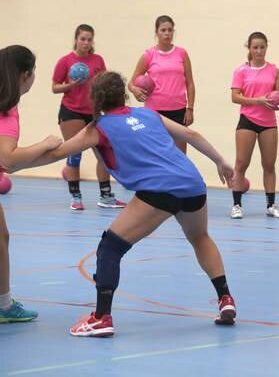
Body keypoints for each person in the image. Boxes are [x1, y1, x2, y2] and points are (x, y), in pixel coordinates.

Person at [22, 71, 237, 336]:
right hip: (192, 183)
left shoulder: (97, 128)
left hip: (159, 190)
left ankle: (101, 318)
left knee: (110, 248)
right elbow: (191, 135)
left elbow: (58, 153)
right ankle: (226, 299)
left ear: (96, 98)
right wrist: (221, 161)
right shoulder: (148, 114)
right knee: (200, 238)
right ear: (123, 93)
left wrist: (15, 161)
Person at [0, 45, 62, 323]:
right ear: (25, 75)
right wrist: (45, 144)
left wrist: (62, 150)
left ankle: (3, 305)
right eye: (34, 70)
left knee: (2, 238)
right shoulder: (7, 110)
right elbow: (10, 160)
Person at [52, 24, 126, 210]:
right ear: (76, 40)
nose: (86, 43)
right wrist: (71, 85)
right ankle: (76, 197)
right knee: (75, 153)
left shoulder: (97, 60)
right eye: (82, 39)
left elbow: (103, 84)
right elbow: (54, 87)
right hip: (71, 112)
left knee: (104, 154)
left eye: (89, 39)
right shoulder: (65, 61)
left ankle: (106, 196)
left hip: (94, 112)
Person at [229, 32, 279, 220]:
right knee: (241, 164)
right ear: (249, 48)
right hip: (247, 120)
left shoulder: (274, 70)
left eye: (262, 47)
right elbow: (235, 97)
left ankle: (271, 204)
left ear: (266, 47)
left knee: (269, 165)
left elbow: (277, 95)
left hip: (269, 123)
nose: (259, 51)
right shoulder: (241, 71)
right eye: (255, 47)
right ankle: (237, 205)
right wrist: (258, 101)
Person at [129, 15, 196, 153]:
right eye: (163, 30)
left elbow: (190, 83)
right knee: (156, 152)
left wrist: (190, 109)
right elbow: (131, 83)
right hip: (155, 111)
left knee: (179, 154)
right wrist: (135, 90)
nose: (167, 33)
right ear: (157, 32)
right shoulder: (149, 55)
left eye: (170, 30)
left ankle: (177, 176)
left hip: (178, 110)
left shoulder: (182, 54)